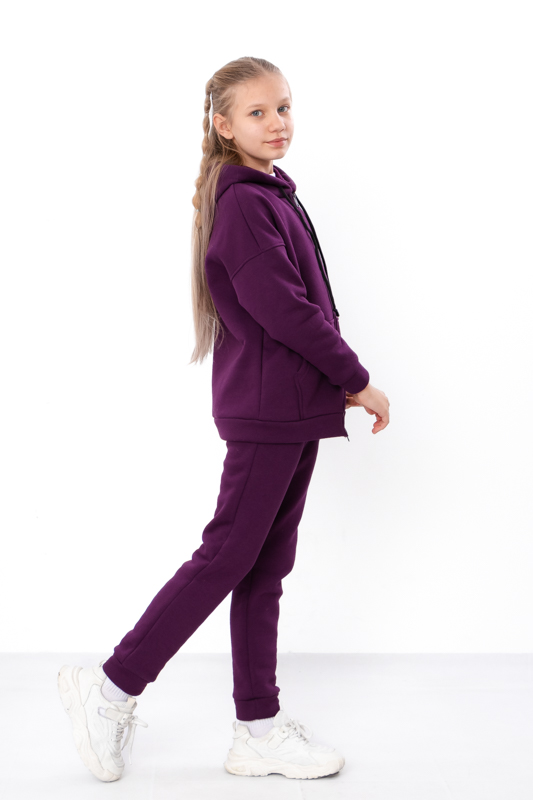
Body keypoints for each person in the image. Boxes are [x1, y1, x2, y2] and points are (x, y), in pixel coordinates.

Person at [57, 55, 390, 784]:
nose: (276, 123)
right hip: (268, 411)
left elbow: (290, 308)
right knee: (228, 556)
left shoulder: (268, 193)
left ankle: (257, 728)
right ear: (222, 124)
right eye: (257, 112)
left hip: (290, 408)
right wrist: (356, 378)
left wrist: (325, 386)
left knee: (263, 566)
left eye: (284, 107)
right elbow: (284, 310)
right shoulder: (243, 201)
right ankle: (110, 689)